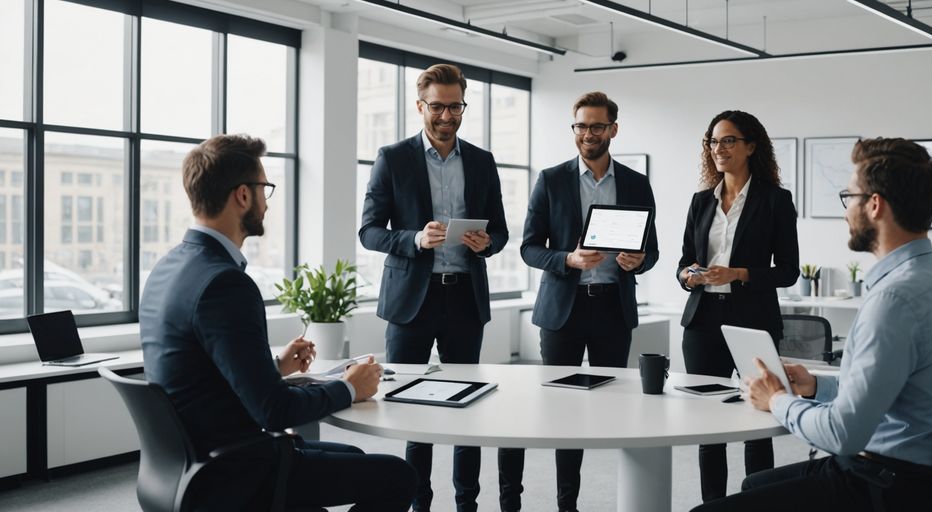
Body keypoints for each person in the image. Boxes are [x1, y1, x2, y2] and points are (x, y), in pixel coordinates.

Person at [692, 137, 932, 511]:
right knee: (752, 484)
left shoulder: (893, 300)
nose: (845, 212)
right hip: (918, 474)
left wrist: (776, 401)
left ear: (874, 205)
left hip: (884, 484)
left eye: (850, 197)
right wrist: (816, 386)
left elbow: (842, 434)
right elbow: (886, 386)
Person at [140, 134, 416, 511]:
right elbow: (275, 411)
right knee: (397, 476)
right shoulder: (225, 283)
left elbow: (202, 372)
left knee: (351, 454)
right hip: (237, 470)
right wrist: (350, 388)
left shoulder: (169, 267)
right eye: (264, 189)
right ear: (242, 196)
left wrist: (274, 367)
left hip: (195, 462)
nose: (266, 204)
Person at [359, 63, 509, 512]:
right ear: (420, 105)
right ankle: (417, 503)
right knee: (409, 408)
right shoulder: (393, 157)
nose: (447, 116)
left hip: (464, 296)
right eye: (438, 107)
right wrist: (414, 239)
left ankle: (467, 503)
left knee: (470, 406)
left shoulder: (481, 161)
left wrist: (486, 244)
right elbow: (369, 231)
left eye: (456, 106)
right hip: (411, 303)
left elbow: (501, 231)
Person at [499, 91, 659, 512]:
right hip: (562, 311)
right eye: (581, 126)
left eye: (597, 126)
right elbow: (529, 248)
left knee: (618, 405)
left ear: (613, 130)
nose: (588, 134)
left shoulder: (636, 183)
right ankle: (565, 503)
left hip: (612, 308)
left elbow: (653, 252)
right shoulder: (551, 180)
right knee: (562, 411)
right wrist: (567, 258)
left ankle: (630, 496)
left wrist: (637, 261)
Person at [676, 110, 799, 502]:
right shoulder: (700, 202)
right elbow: (683, 263)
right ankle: (713, 504)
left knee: (757, 419)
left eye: (728, 140)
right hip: (702, 321)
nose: (718, 148)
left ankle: (756, 504)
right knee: (707, 427)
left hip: (753, 321)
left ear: (750, 146)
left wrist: (739, 273)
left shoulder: (776, 200)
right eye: (713, 141)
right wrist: (689, 276)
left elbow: (789, 271)